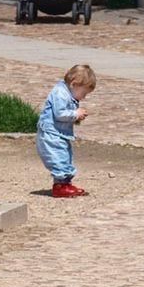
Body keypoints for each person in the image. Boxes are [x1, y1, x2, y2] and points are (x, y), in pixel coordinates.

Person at [36, 64, 96, 197]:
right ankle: (60, 186)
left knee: (66, 156)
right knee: (58, 157)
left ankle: (66, 183)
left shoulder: (69, 93)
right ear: (74, 84)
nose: (84, 97)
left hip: (59, 133)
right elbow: (59, 113)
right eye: (84, 93)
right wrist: (75, 114)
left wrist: (76, 117)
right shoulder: (60, 93)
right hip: (51, 134)